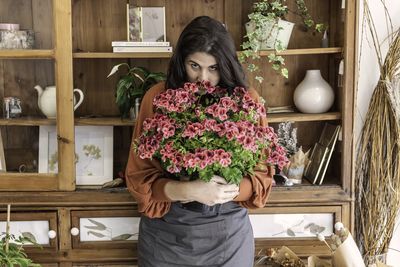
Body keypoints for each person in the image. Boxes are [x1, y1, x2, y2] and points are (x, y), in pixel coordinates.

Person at [125, 15, 274, 267]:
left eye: (213, 68)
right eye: (194, 66)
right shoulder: (158, 98)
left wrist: (230, 190)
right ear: (181, 62)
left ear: (226, 66)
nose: (202, 79)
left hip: (228, 238)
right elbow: (139, 178)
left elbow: (262, 175)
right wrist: (189, 189)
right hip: (166, 237)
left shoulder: (246, 100)